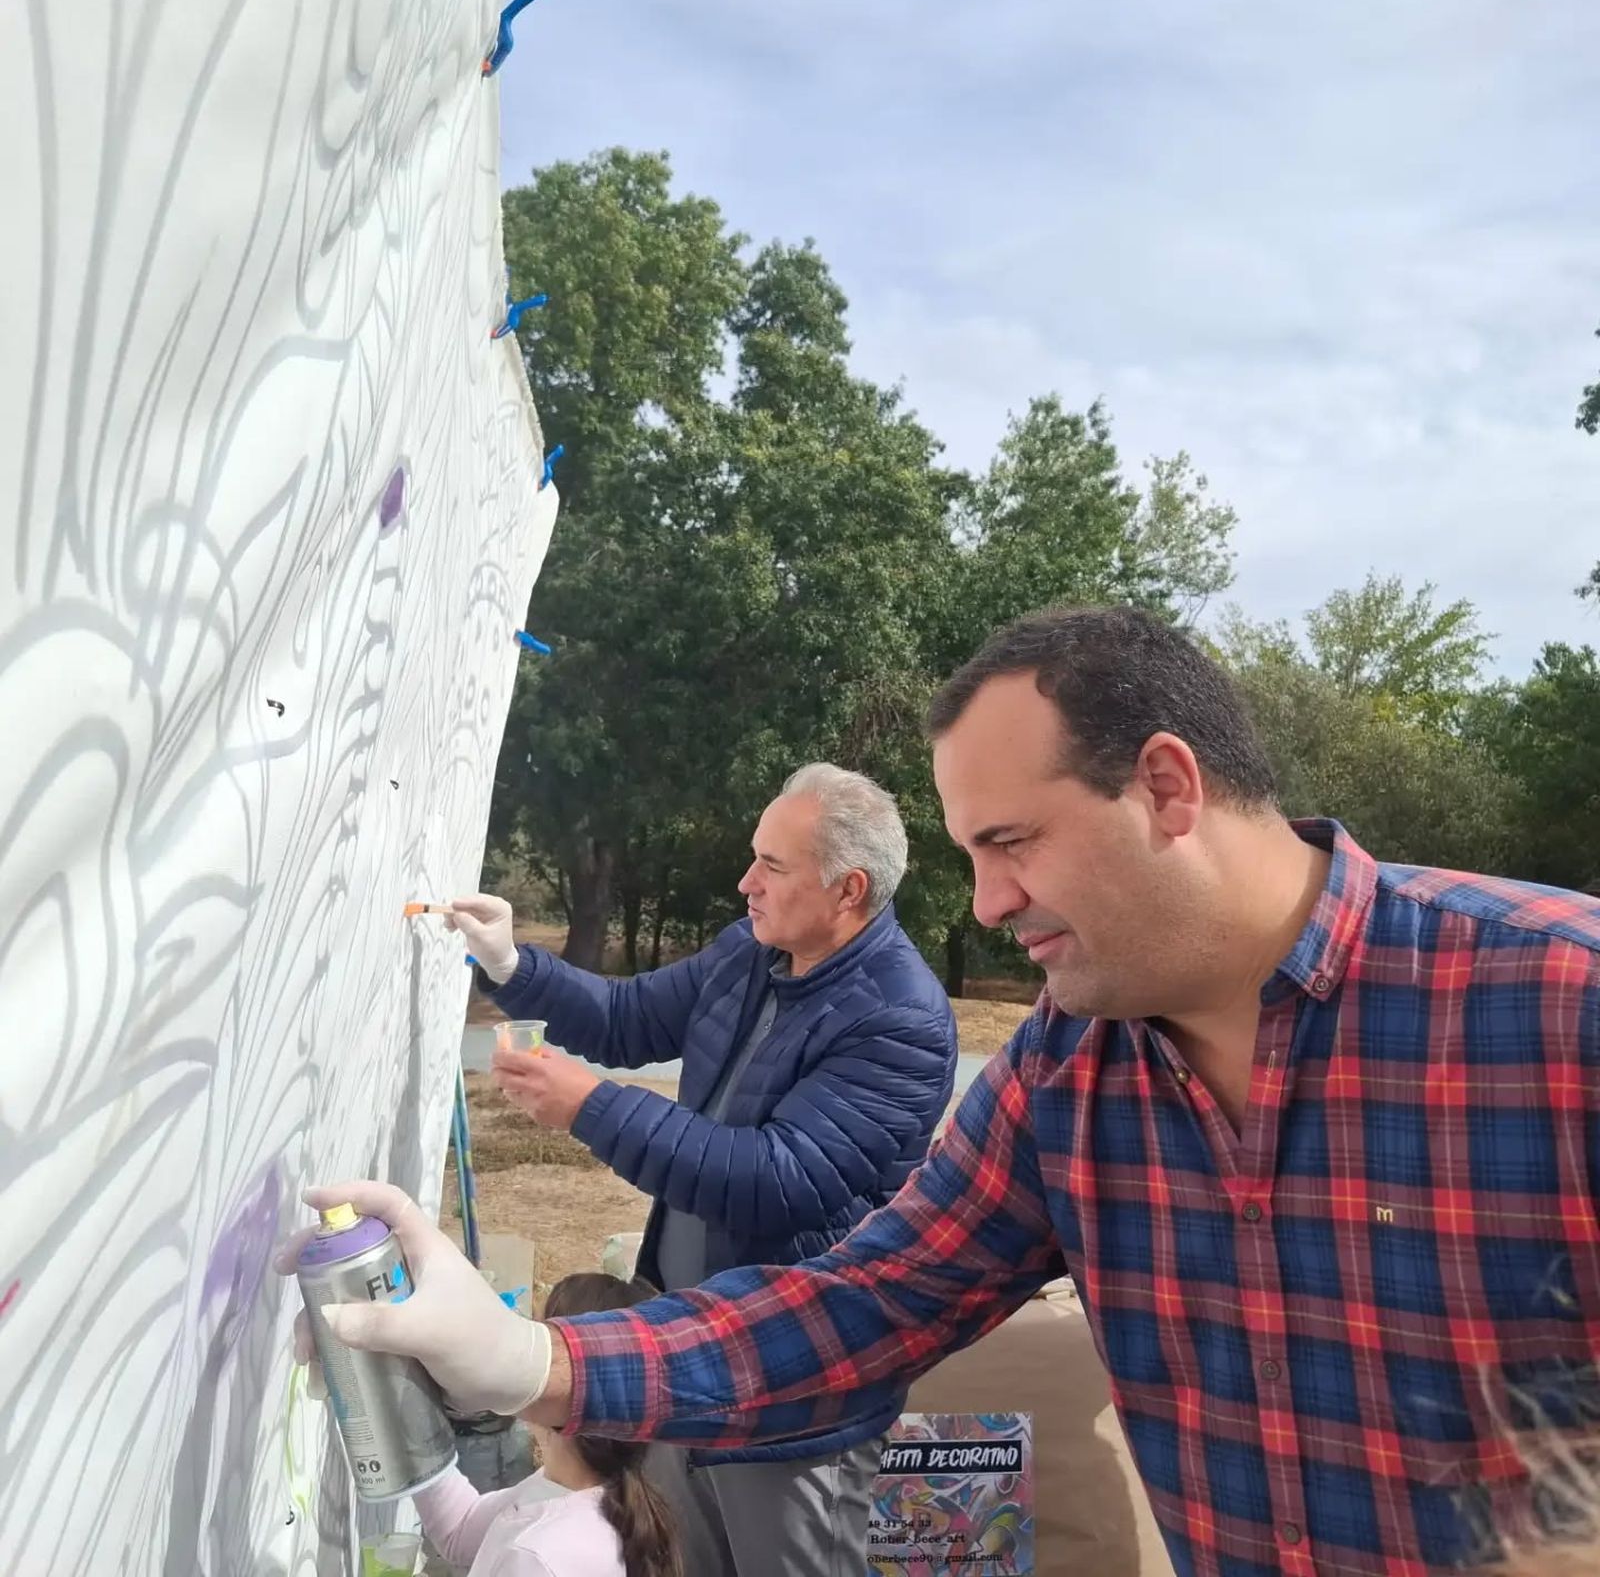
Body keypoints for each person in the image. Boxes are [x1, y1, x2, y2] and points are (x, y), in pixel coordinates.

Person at [293, 608, 1600, 1577]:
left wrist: (593, 1110)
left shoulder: (1554, 1005)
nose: (986, 905)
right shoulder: (1061, 1068)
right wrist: (531, 1357)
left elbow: (789, 1188)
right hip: (720, 1363)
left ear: (1166, 787)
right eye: (973, 855)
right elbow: (870, 1301)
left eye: (1012, 845)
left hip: (816, 1450)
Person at [448, 761, 959, 1577]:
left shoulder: (900, 1018)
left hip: (797, 1391)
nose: (746, 881)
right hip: (695, 1352)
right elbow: (629, 1018)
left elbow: (773, 1179)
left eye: (773, 867)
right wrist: (512, 963)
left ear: (848, 890)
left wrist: (592, 1107)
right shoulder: (753, 950)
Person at [412, 1273, 679, 1577]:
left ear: (571, 1388)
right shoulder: (587, 1492)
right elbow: (461, 1531)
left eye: (533, 1343)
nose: (514, 1354)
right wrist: (407, 1416)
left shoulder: (538, 1556)